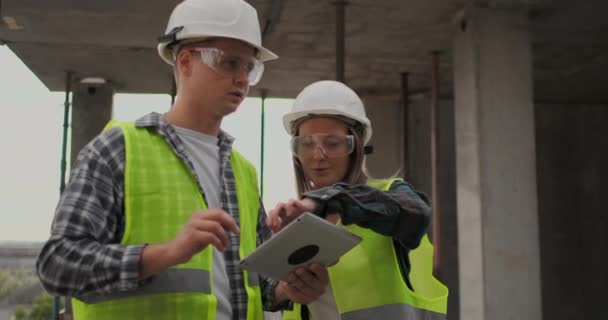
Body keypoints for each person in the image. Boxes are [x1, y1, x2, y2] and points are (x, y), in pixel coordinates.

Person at [36, 1, 328, 319]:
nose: (242, 78)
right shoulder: (119, 149)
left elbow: (252, 285)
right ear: (186, 62)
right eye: (229, 63)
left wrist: (287, 290)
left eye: (249, 67)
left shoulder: (242, 171)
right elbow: (57, 265)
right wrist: (164, 254)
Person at [267, 80, 449, 320]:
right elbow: (253, 294)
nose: (318, 156)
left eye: (332, 144)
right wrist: (284, 291)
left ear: (357, 146)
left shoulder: (391, 197)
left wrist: (325, 202)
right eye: (307, 145)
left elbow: (417, 214)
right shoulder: (293, 223)